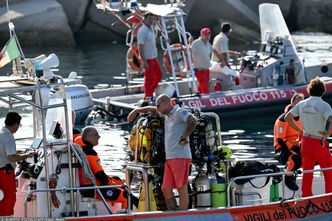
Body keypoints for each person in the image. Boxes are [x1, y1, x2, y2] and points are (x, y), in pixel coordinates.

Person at [127, 94, 197, 210]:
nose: (157, 108)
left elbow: (192, 120)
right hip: (170, 158)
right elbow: (152, 109)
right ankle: (174, 211)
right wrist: (137, 110)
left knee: (181, 187)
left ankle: (183, 214)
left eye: (158, 105)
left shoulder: (179, 112)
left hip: (180, 156)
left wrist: (185, 136)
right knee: (165, 188)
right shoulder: (166, 115)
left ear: (166, 103)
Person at [285, 77, 332, 197]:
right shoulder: (324, 105)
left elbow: (287, 118)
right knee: (328, 172)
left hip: (305, 142)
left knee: (307, 172)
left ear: (309, 90)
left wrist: (299, 130)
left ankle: (307, 198)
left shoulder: (301, 104)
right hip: (319, 143)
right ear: (322, 91)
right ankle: (329, 198)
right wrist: (327, 134)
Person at [74, 126, 138, 209]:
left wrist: (114, 182)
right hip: (93, 189)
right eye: (96, 135)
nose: (99, 137)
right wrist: (112, 184)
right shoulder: (90, 152)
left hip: (91, 186)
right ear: (88, 137)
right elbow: (100, 175)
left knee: (117, 180)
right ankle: (127, 215)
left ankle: (135, 206)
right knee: (125, 195)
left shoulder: (83, 150)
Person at [0, 112, 36, 216]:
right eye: (19, 125)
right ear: (15, 124)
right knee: (9, 199)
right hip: (4, 173)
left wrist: (16, 152)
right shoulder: (8, 136)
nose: (18, 128)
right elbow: (11, 157)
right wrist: (27, 155)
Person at [273, 93, 304, 190]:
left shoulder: (301, 117)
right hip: (282, 147)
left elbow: (302, 134)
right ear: (293, 103)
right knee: (296, 158)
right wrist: (294, 147)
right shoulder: (283, 119)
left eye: (303, 102)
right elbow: (280, 139)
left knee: (313, 155)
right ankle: (288, 176)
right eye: (299, 102)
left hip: (296, 145)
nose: (301, 104)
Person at [137, 12, 162, 100]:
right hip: (147, 59)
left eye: (152, 19)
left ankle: (150, 92)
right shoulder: (142, 31)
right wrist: (144, 61)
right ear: (145, 19)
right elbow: (140, 47)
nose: (151, 20)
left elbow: (152, 40)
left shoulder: (151, 28)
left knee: (159, 75)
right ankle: (148, 96)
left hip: (154, 57)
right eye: (149, 19)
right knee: (149, 78)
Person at [190, 28, 213, 94]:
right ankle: (207, 102)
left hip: (207, 70)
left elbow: (213, 50)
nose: (207, 36)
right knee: (205, 89)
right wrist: (190, 43)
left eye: (209, 35)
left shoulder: (208, 44)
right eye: (205, 35)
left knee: (202, 87)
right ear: (201, 35)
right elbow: (190, 52)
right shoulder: (196, 43)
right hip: (199, 71)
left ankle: (199, 96)